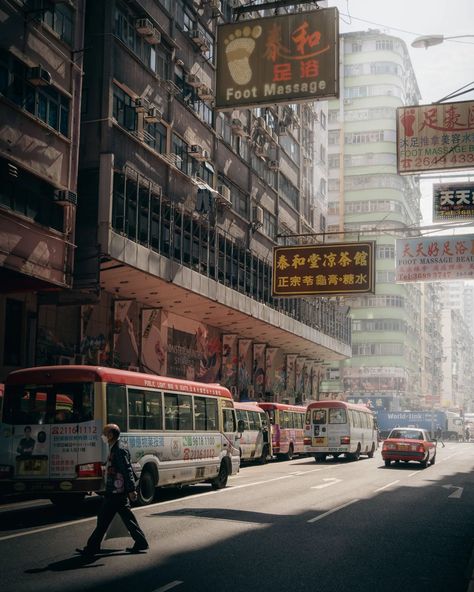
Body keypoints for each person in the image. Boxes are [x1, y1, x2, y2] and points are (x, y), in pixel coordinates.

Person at [76, 423, 148, 558]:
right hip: (115, 490)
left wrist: (131, 489)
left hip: (117, 491)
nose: (102, 436)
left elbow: (127, 470)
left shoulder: (119, 449)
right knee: (125, 519)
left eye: (104, 433)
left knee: (104, 520)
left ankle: (92, 547)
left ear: (111, 435)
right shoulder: (115, 447)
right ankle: (140, 542)